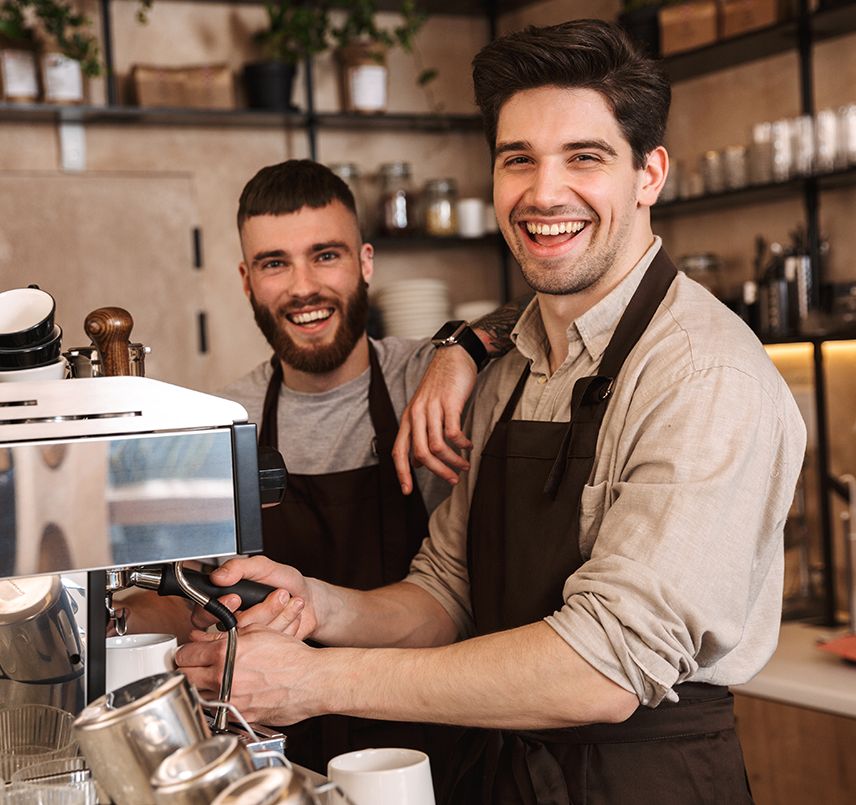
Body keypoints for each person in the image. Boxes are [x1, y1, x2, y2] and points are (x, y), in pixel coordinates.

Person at [176, 20, 806, 804]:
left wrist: (317, 679)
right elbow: (449, 590)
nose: (544, 194)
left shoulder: (704, 376)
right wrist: (315, 603)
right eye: (519, 161)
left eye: (585, 157)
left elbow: (604, 665)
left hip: (642, 782)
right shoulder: (506, 363)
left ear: (649, 174)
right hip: (504, 778)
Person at [114, 158, 522, 776]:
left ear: (365, 262)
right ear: (247, 281)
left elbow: (547, 311)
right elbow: (185, 593)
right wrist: (123, 615)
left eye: (324, 255)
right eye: (276, 263)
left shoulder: (430, 379)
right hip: (286, 752)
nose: (303, 287)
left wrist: (463, 346)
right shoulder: (223, 422)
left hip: (438, 745)